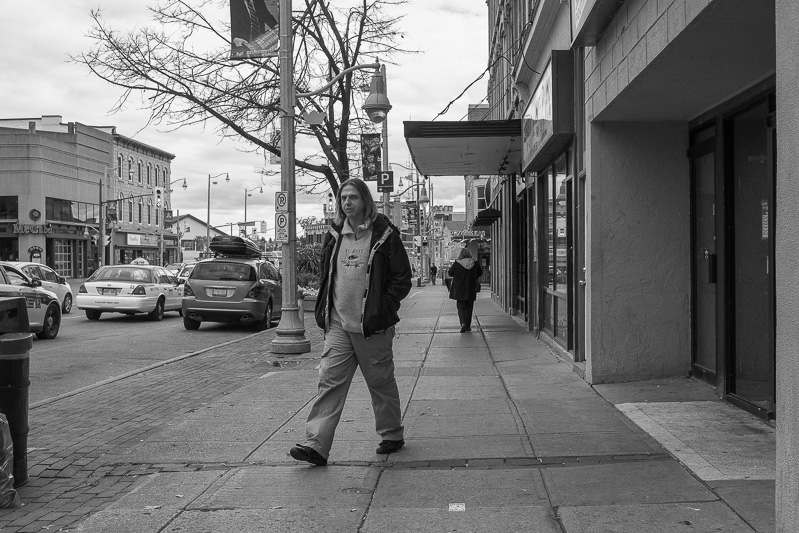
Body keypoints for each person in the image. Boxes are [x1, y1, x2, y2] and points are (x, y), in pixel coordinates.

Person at [290, 178, 412, 466]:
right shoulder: (334, 235)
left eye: (352, 197)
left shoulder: (385, 234)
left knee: (380, 383)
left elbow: (401, 278)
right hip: (338, 325)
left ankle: (391, 434)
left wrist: (382, 308)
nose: (346, 203)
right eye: (343, 198)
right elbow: (326, 277)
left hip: (372, 326)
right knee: (329, 382)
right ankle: (316, 445)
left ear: (365, 200)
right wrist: (325, 312)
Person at [448, 248, 483, 333]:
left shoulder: (457, 263)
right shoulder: (474, 263)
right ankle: (467, 326)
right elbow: (480, 273)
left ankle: (463, 323)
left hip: (459, 289)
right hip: (471, 288)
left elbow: (450, 273)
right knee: (469, 307)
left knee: (461, 307)